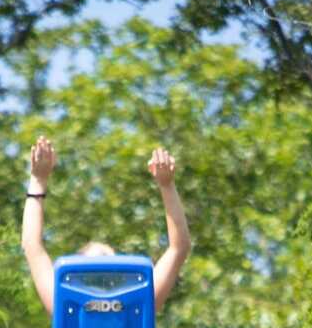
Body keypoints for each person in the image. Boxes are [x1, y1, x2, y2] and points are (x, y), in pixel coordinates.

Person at [21, 134, 192, 316]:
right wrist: (166, 186)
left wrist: (38, 180)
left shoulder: (64, 305)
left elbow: (32, 245)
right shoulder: (136, 307)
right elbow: (179, 248)